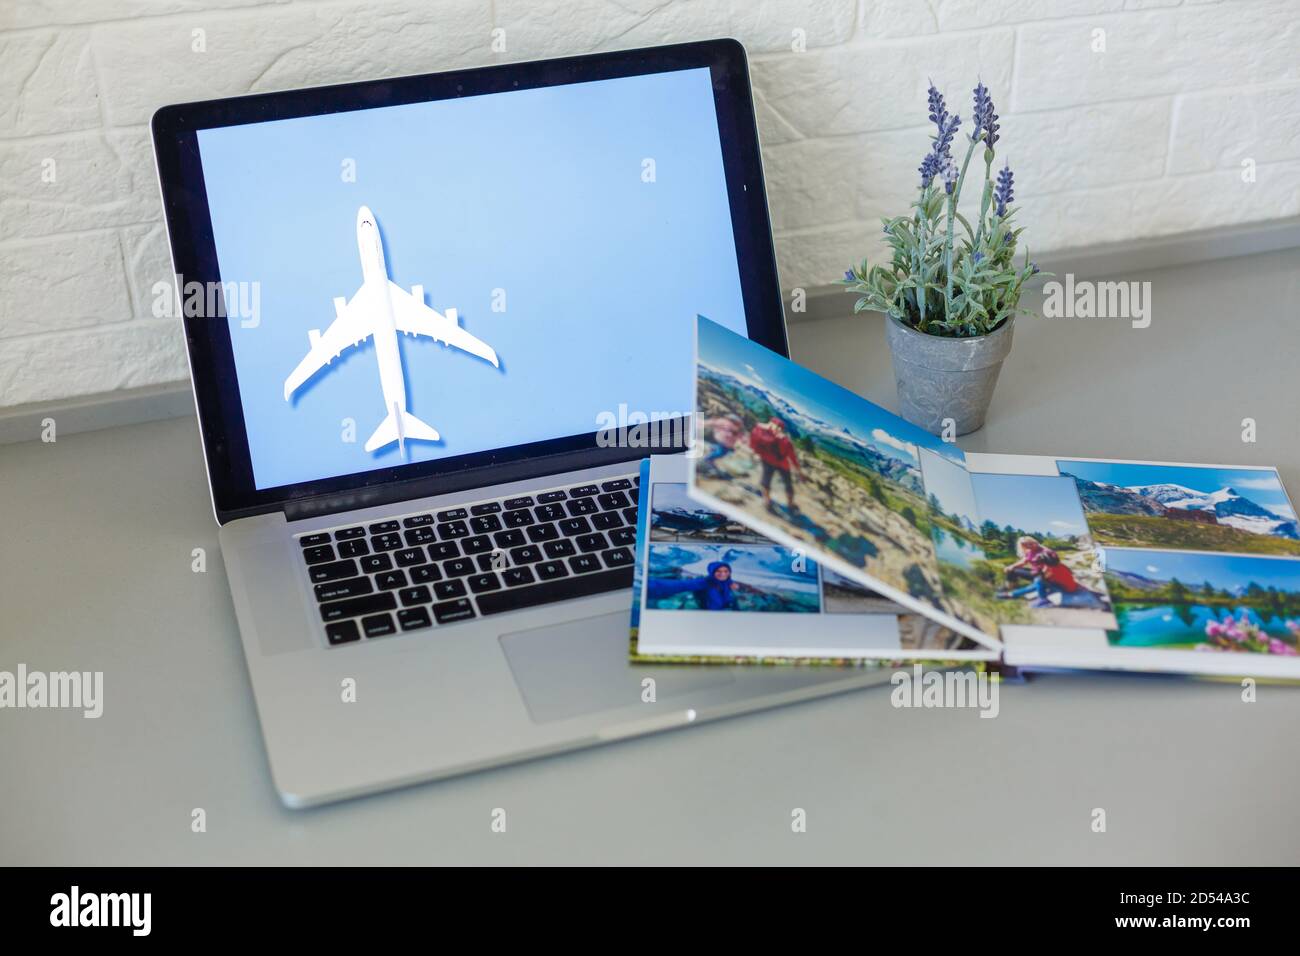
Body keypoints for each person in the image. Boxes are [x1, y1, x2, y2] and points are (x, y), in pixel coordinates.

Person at [998, 536, 1078, 607]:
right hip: (1041, 574)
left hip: (1048, 577)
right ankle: (1011, 591)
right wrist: (1011, 566)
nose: (1030, 546)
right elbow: (1023, 562)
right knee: (1014, 571)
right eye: (1026, 545)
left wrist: (1042, 576)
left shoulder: (1046, 552)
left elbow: (1051, 567)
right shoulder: (1030, 552)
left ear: (1035, 541)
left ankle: (1041, 598)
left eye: (1031, 543)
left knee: (1038, 581)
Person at [749, 417, 801, 514]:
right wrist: (799, 471)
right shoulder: (785, 441)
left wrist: (755, 454)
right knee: (788, 484)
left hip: (767, 460)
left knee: (766, 480)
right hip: (783, 464)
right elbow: (792, 457)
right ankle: (790, 505)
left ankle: (767, 502)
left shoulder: (759, 431)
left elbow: (753, 445)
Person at [646, 561, 740, 610]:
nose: (723, 574)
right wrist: (649, 585)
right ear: (712, 573)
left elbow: (727, 581)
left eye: (726, 571)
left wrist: (731, 584)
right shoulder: (705, 582)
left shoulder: (726, 582)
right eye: (718, 571)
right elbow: (681, 585)